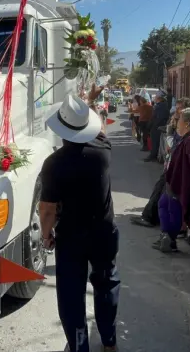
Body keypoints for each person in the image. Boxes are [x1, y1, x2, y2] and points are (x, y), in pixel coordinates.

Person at [39, 84, 120, 352]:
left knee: (72, 294)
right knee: (106, 284)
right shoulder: (103, 150)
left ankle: (79, 345)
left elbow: (48, 209)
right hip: (104, 232)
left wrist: (46, 234)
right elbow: (100, 131)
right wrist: (91, 104)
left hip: (71, 236)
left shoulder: (54, 164)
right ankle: (109, 341)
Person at [130, 97, 190, 228]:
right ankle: (152, 218)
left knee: (164, 193)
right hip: (174, 163)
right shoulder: (177, 120)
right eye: (176, 106)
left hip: (179, 165)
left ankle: (153, 220)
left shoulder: (189, 123)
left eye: (179, 107)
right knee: (161, 191)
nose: (177, 109)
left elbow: (175, 142)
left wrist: (172, 128)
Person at [153, 108, 190, 252]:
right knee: (163, 204)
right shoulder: (189, 137)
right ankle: (166, 238)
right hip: (174, 182)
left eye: (180, 120)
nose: (177, 123)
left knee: (174, 211)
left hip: (181, 185)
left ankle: (170, 241)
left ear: (188, 123)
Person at [144, 93, 169, 162]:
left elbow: (158, 118)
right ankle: (156, 155)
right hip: (157, 126)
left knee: (155, 142)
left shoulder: (161, 106)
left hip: (157, 127)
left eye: (155, 97)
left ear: (159, 98)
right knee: (155, 141)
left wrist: (153, 125)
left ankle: (153, 156)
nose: (154, 98)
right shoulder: (160, 105)